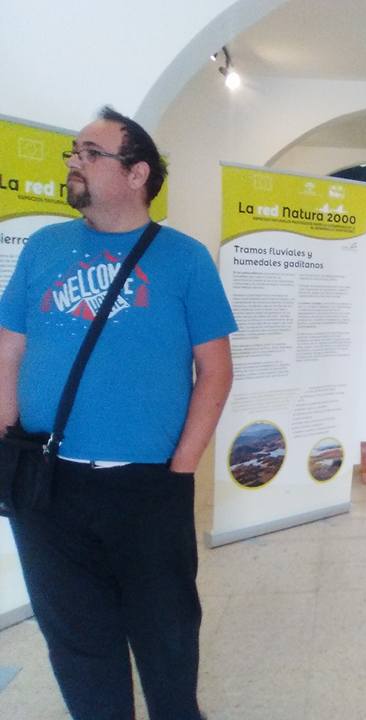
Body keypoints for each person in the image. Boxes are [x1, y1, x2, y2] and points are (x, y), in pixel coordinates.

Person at [0, 107, 237, 720]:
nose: (73, 162)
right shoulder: (44, 248)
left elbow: (215, 371)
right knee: (76, 639)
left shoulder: (185, 259)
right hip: (47, 484)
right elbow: (8, 351)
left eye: (90, 153)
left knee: (166, 636)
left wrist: (180, 469)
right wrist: (7, 443)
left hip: (148, 487)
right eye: (73, 152)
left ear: (137, 174)